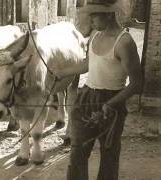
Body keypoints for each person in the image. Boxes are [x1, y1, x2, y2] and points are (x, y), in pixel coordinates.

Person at [54, 1, 143, 180]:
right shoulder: (95, 34)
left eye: (94, 15)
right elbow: (89, 64)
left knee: (109, 154)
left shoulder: (124, 42)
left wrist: (110, 104)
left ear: (109, 14)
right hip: (86, 97)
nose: (90, 20)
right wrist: (61, 72)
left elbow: (137, 83)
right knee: (77, 153)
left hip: (112, 101)